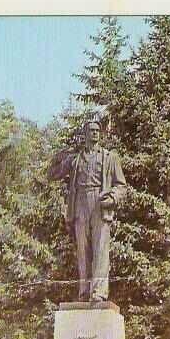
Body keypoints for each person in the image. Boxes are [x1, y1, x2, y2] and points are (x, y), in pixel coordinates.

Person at [48, 120, 126, 302]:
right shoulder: (75, 160)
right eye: (91, 130)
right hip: (80, 203)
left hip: (100, 203)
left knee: (100, 249)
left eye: (97, 130)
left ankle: (98, 292)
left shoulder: (109, 157)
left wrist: (113, 197)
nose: (95, 133)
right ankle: (84, 291)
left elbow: (122, 186)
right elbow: (52, 174)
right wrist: (63, 154)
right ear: (84, 134)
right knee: (83, 251)